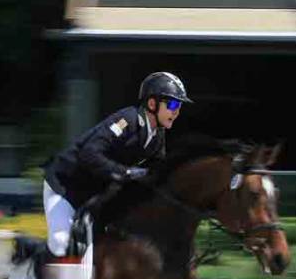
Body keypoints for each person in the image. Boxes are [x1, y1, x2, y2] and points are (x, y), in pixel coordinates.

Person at [41, 71, 192, 257]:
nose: (176, 111)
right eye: (172, 104)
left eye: (179, 106)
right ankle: (33, 267)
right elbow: (89, 153)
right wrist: (125, 172)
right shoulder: (126, 120)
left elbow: (157, 174)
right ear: (152, 103)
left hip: (93, 196)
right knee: (60, 244)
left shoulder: (157, 138)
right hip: (65, 187)